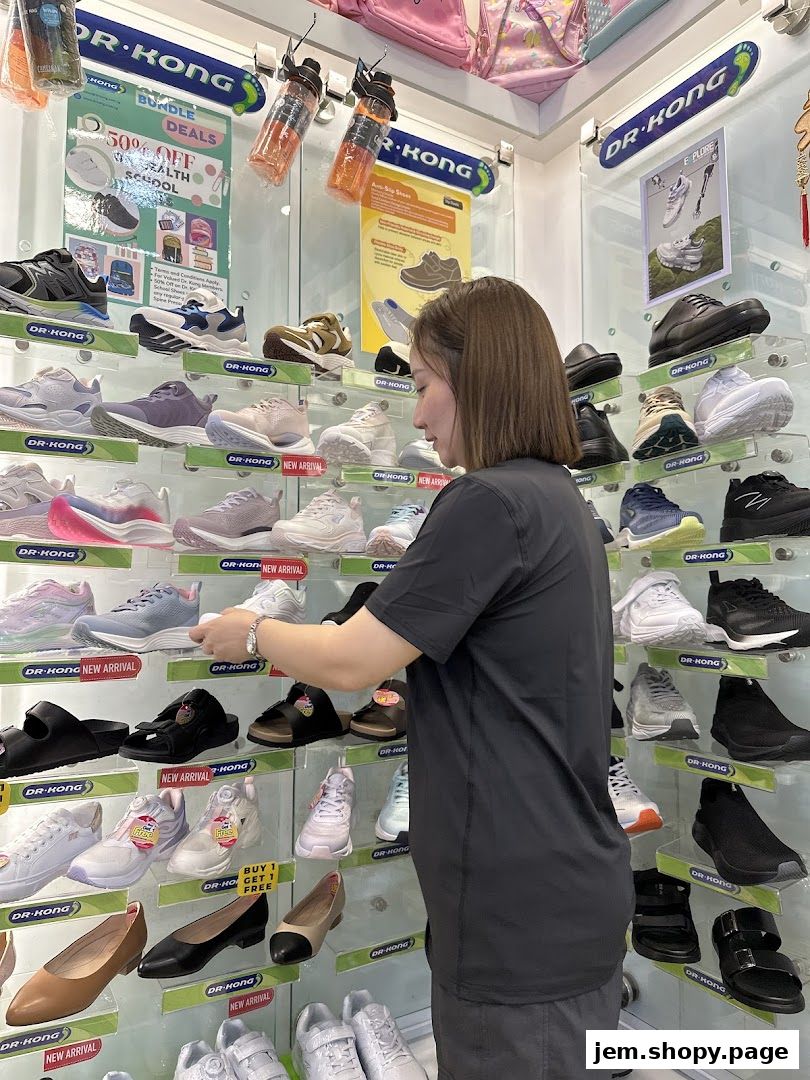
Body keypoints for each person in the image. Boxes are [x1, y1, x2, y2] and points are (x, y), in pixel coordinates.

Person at [191, 277, 634, 1080]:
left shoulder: (487, 502)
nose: (419, 413)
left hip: (515, 914)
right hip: (563, 884)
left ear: (480, 380)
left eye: (426, 386)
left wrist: (250, 629)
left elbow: (356, 662)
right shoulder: (559, 499)